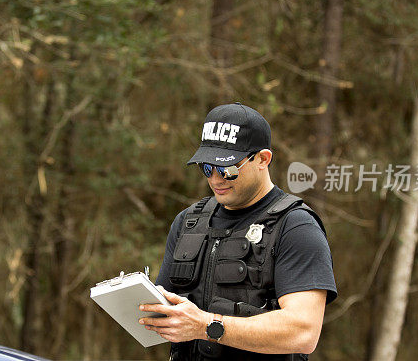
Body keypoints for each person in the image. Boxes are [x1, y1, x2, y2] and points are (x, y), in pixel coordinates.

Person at [140, 103, 337, 360]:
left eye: (227, 169)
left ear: (263, 159)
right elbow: (164, 315)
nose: (215, 180)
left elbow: (303, 332)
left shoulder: (296, 227)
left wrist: (207, 326)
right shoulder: (188, 222)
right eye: (207, 168)